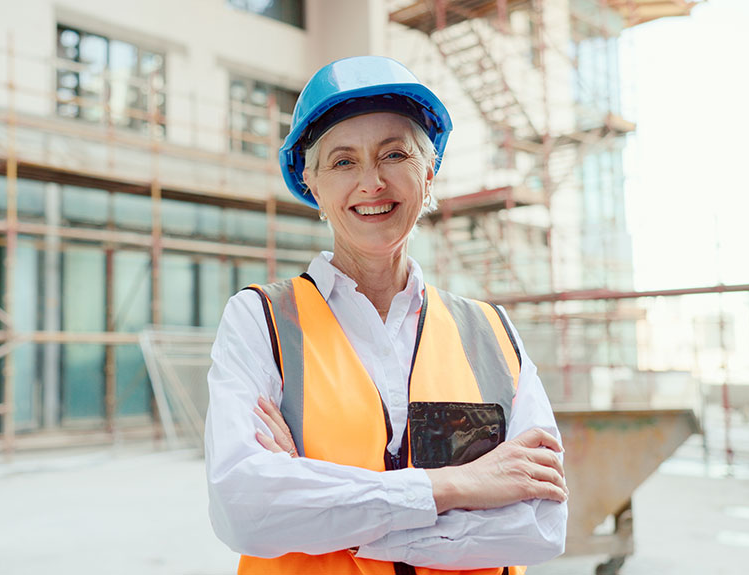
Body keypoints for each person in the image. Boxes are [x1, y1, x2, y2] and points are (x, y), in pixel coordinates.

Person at [204, 56, 568, 575]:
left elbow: (541, 528)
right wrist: (459, 486)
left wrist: (321, 504)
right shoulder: (261, 320)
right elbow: (244, 510)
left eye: (394, 154)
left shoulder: (492, 332)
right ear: (312, 182)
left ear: (429, 171)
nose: (372, 181)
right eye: (344, 161)